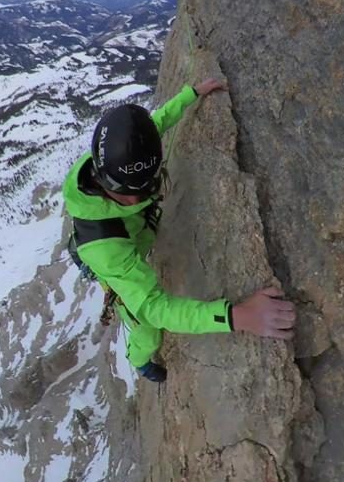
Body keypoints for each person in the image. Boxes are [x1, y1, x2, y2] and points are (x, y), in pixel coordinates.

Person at [62, 80, 296, 383]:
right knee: (147, 330)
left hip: (128, 235)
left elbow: (153, 127)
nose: (142, 196)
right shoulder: (106, 249)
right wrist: (236, 316)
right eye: (134, 191)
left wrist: (191, 95)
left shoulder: (109, 163)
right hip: (107, 259)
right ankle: (140, 362)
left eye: (149, 183)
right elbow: (155, 309)